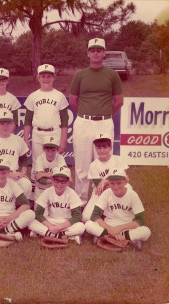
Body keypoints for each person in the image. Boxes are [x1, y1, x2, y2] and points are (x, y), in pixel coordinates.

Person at [69, 38, 124, 206]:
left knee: (104, 162)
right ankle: (81, 202)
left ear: (104, 53)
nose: (95, 52)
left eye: (99, 50)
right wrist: (87, 115)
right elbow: (73, 101)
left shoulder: (112, 75)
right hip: (83, 123)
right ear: (88, 53)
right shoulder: (80, 75)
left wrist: (104, 114)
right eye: (92, 50)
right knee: (82, 164)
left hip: (104, 123)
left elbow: (119, 101)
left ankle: (104, 201)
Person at [23, 64, 69, 203]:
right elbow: (28, 120)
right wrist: (26, 138)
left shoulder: (59, 96)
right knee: (37, 162)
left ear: (54, 77)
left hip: (54, 132)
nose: (46, 79)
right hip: (38, 133)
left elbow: (65, 120)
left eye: (49, 76)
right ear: (38, 77)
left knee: (54, 162)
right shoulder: (33, 96)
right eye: (43, 76)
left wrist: (63, 140)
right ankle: (34, 193)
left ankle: (56, 192)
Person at [84, 169, 151, 251]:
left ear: (125, 181)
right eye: (112, 183)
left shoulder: (132, 195)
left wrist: (119, 229)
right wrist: (110, 230)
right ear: (108, 182)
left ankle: (103, 237)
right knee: (88, 224)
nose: (115, 186)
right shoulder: (107, 193)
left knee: (146, 231)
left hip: (125, 228)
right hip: (107, 226)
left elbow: (141, 220)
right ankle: (129, 240)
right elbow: (94, 216)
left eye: (119, 183)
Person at [0, 109, 32, 200]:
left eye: (8, 123)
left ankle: (22, 208)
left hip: (15, 175)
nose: (5, 126)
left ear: (13, 124)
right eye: (2, 123)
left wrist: (23, 173)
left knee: (27, 184)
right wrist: (8, 174)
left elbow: (24, 159)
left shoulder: (18, 140)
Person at [28, 166, 85, 245]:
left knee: (81, 227)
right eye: (56, 181)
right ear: (52, 180)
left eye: (63, 181)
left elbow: (78, 216)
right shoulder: (48, 191)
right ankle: (65, 236)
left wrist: (59, 227)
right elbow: (38, 213)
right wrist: (50, 226)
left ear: (68, 182)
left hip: (66, 223)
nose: (59, 184)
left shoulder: (71, 193)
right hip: (51, 221)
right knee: (31, 223)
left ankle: (44, 234)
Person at [82, 132, 130, 222]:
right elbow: (100, 187)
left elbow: (124, 180)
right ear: (95, 149)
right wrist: (111, 182)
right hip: (100, 194)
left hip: (118, 191)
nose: (102, 150)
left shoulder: (117, 159)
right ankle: (104, 214)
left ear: (110, 147)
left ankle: (119, 212)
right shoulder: (94, 165)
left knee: (128, 187)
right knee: (86, 218)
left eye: (105, 147)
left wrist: (104, 181)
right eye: (99, 148)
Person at [33, 136, 67, 202]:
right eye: (48, 150)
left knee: (56, 211)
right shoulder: (40, 158)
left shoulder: (60, 158)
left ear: (57, 150)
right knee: (39, 212)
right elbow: (40, 179)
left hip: (55, 189)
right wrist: (59, 181)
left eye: (53, 150)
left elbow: (64, 175)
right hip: (41, 190)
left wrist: (43, 174)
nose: (50, 154)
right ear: (43, 149)